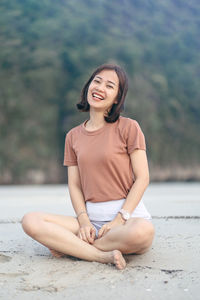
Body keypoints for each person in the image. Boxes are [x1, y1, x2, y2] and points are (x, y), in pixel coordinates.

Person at [22, 63, 155, 270]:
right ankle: (101, 255)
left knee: (143, 232)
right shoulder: (73, 136)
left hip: (127, 220)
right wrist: (84, 222)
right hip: (90, 220)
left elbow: (142, 178)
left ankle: (72, 248)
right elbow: (75, 185)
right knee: (31, 220)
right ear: (88, 87)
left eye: (110, 86)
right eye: (97, 81)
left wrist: (120, 220)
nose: (100, 88)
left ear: (117, 98)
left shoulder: (129, 127)